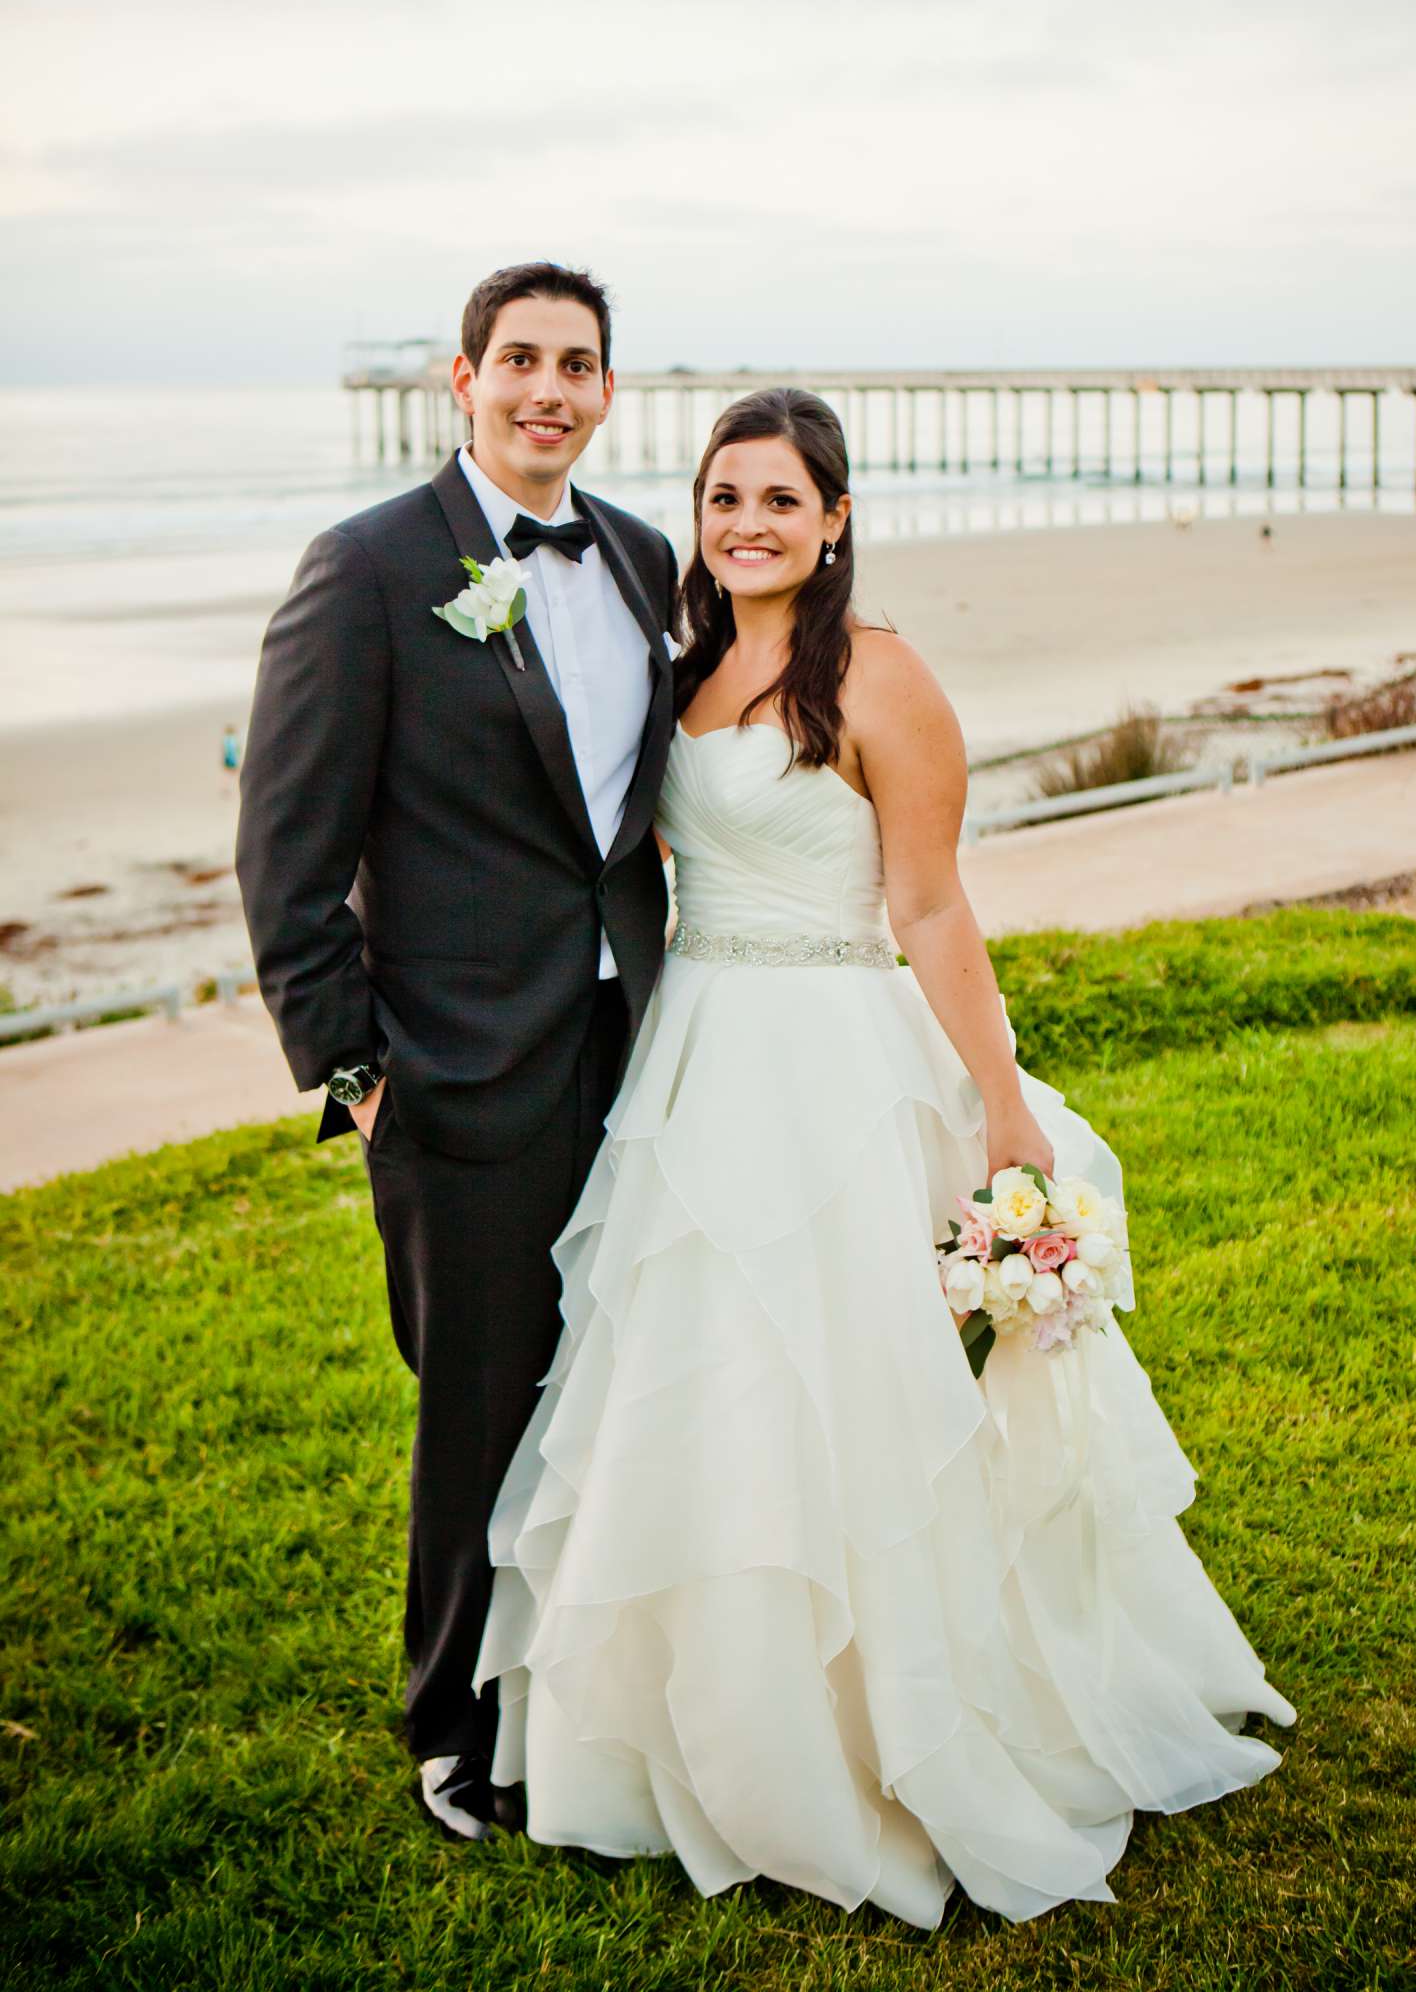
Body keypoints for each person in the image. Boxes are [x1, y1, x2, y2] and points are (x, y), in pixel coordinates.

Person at [474, 387, 1295, 1926]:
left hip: (833, 1063)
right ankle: (681, 1733)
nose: (748, 525)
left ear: (836, 518)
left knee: (847, 1389)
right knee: (693, 1375)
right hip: (695, 1059)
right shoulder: (691, 662)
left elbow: (928, 907)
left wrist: (1001, 1102)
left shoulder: (883, 678)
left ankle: (875, 1733)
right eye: (725, 499)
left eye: (782, 500)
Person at [236, 262, 678, 1841]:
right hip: (454, 1067)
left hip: (639, 1044)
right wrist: (352, 1070)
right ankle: (453, 1726)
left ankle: (592, 1681)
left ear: (610, 392)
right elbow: (287, 850)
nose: (548, 388)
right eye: (521, 362)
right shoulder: (364, 570)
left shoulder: (641, 558)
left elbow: (631, 814)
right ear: (463, 378)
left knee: (618, 1376)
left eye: (578, 365)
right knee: (480, 1394)